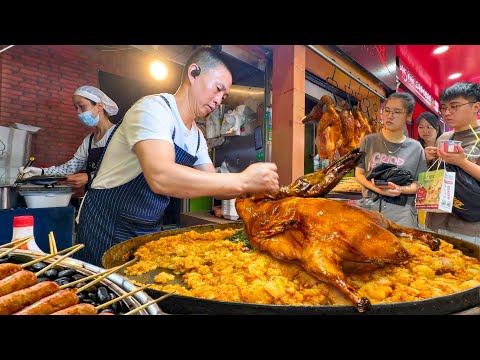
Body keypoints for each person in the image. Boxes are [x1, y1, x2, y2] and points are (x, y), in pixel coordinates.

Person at [75, 47, 280, 266]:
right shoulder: (154, 109)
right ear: (194, 73)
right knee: (102, 295)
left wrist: (258, 196)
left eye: (224, 95)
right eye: (217, 88)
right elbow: (160, 176)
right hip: (107, 222)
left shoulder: (198, 138)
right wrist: (244, 180)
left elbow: (212, 183)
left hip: (147, 226)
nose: (219, 99)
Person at [18, 85, 119, 191]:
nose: (78, 112)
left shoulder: (118, 133)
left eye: (81, 106)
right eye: (76, 108)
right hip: (93, 198)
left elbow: (126, 168)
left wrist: (90, 178)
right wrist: (41, 172)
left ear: (99, 106)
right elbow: (70, 168)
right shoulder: (89, 141)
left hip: (119, 199)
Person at [354, 91, 427, 228]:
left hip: (401, 214)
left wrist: (400, 189)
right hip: (370, 209)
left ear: (408, 116)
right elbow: (359, 174)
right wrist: (377, 189)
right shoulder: (368, 141)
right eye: (386, 110)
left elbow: (419, 184)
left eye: (397, 112)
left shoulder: (416, 148)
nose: (390, 116)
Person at [425, 81, 480, 245]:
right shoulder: (443, 138)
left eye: (454, 106)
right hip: (436, 221)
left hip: (468, 226)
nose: (447, 112)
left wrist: (462, 162)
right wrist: (429, 160)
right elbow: (437, 176)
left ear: (476, 107)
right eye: (444, 107)